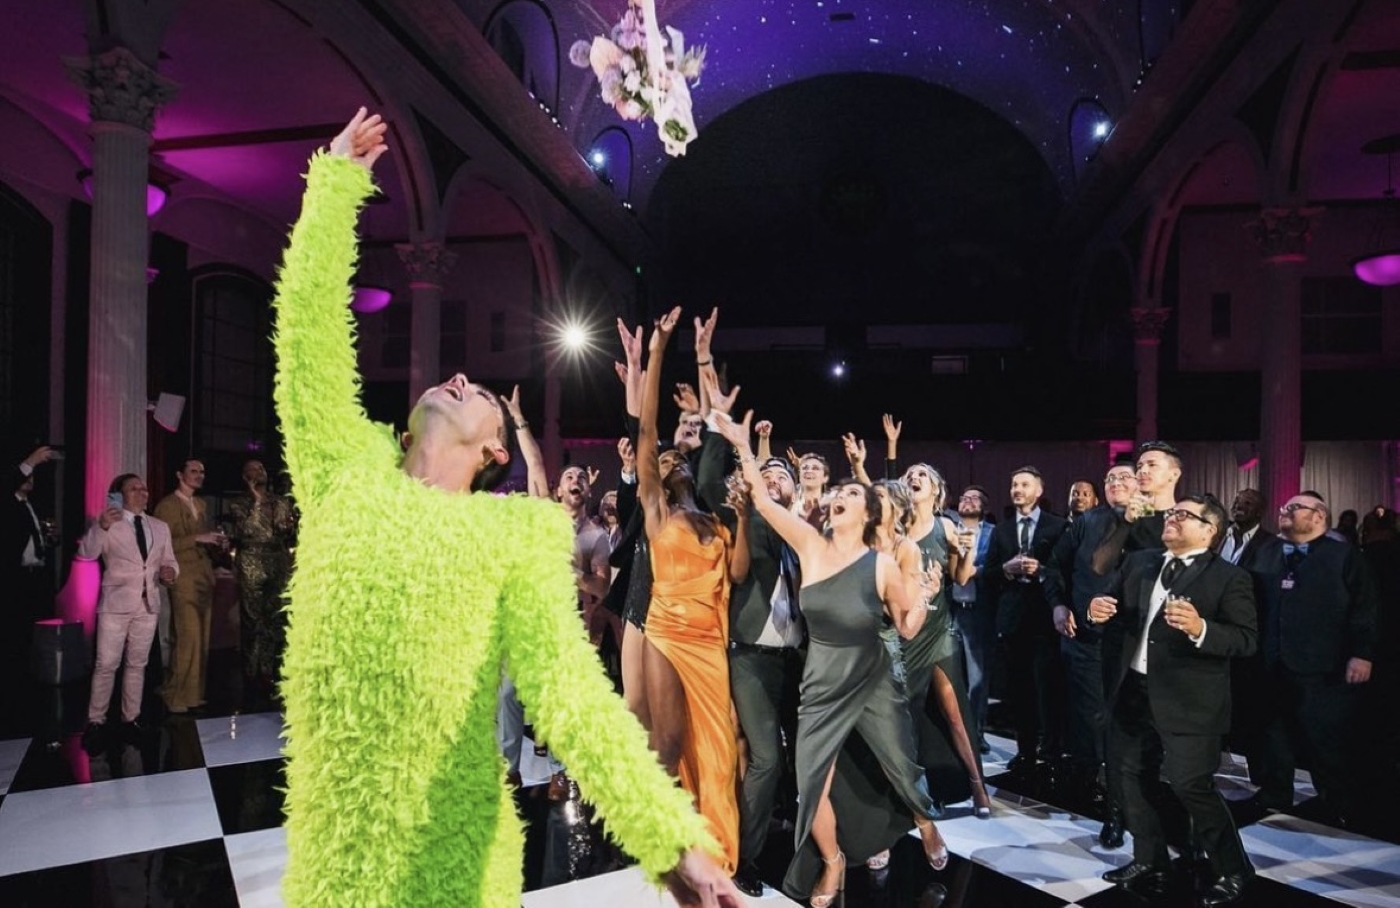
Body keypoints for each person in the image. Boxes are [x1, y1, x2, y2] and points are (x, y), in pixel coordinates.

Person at [272, 109, 740, 908]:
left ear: (497, 450)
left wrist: (669, 840)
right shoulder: (340, 475)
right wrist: (335, 187)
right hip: (336, 870)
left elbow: (569, 692)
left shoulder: (516, 531)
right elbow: (308, 336)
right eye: (457, 379)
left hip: (458, 864)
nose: (459, 379)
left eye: (480, 390)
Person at [710, 403, 950, 906]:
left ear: (867, 513)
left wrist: (924, 596)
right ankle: (832, 862)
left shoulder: (882, 564)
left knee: (899, 766)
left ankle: (924, 819)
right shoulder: (809, 545)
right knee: (812, 777)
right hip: (820, 676)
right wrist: (740, 442)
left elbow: (905, 627)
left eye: (851, 495)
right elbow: (763, 500)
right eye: (838, 492)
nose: (839, 497)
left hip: (871, 676)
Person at [1089, 494, 1257, 907]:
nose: (1173, 518)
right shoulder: (1140, 561)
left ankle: (1234, 869)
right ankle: (1149, 858)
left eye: (1185, 515)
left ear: (1209, 530)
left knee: (1191, 786)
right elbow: (1109, 603)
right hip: (1133, 691)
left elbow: (1246, 639)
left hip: (1189, 701)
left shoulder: (1229, 578)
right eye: (1172, 512)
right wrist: (1095, 609)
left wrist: (1202, 628)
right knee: (1129, 779)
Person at [635, 307, 746, 876]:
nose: (673, 458)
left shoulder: (716, 520)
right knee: (670, 741)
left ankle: (710, 849)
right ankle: (663, 843)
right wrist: (657, 350)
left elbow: (740, 573)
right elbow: (649, 429)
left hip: (709, 641)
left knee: (718, 751)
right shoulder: (655, 510)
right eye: (666, 457)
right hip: (666, 631)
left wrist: (707, 374)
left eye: (683, 456)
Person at [1245, 492, 1378, 827]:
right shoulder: (1267, 552)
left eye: (1294, 508)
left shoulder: (1344, 556)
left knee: (1325, 740)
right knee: (1274, 733)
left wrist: (1362, 653)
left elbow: (1365, 609)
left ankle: (1338, 802)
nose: (1284, 512)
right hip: (1272, 660)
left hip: (1325, 665)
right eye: (1284, 508)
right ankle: (1275, 793)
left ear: (1319, 516)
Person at [80, 473, 178, 749]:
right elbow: (87, 554)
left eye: (144, 488)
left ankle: (130, 719)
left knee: (137, 665)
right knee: (106, 665)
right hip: (115, 604)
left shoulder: (160, 527)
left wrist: (171, 572)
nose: (142, 492)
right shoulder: (109, 522)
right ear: (120, 495)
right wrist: (100, 527)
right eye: (134, 488)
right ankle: (96, 721)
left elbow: (168, 560)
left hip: (148, 605)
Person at [153, 458, 224, 714]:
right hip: (182, 576)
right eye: (193, 471)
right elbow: (163, 544)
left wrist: (215, 542)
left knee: (201, 637)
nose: (198, 475)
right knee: (187, 635)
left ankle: (193, 694)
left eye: (202, 471)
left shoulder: (201, 504)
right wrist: (197, 537)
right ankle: (176, 695)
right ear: (179, 474)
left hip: (203, 575)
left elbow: (202, 539)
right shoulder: (167, 506)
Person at [225, 458, 296, 707]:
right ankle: (250, 673)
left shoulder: (280, 502)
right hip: (251, 559)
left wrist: (286, 522)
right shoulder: (238, 503)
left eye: (262, 468)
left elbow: (285, 531)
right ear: (245, 476)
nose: (259, 472)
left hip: (277, 560)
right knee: (252, 619)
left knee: (275, 618)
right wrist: (255, 503)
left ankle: (269, 671)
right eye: (253, 469)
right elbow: (246, 531)